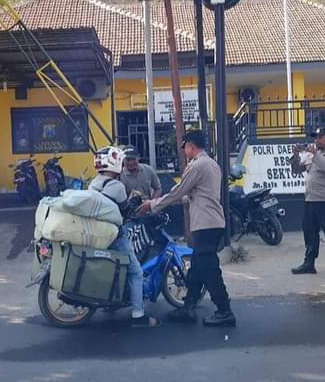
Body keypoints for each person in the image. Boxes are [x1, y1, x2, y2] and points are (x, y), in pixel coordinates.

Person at [138, 129, 235, 327]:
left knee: (209, 269)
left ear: (190, 146)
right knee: (197, 268)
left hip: (206, 224)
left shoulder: (198, 165)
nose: (185, 152)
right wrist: (172, 202)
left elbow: (179, 190)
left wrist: (153, 204)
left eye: (185, 148)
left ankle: (224, 310)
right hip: (210, 222)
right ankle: (188, 306)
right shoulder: (211, 164)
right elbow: (193, 194)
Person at [89, 145, 161, 328]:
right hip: (115, 234)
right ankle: (138, 315)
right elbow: (125, 212)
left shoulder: (93, 183)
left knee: (116, 268)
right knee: (136, 272)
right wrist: (135, 203)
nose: (125, 163)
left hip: (98, 234)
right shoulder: (117, 186)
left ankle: (112, 302)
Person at [290, 127, 325, 279]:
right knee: (309, 233)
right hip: (310, 201)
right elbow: (296, 170)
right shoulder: (310, 155)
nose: (317, 140)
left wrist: (315, 155)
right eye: (316, 137)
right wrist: (295, 155)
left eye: (321, 137)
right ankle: (309, 263)